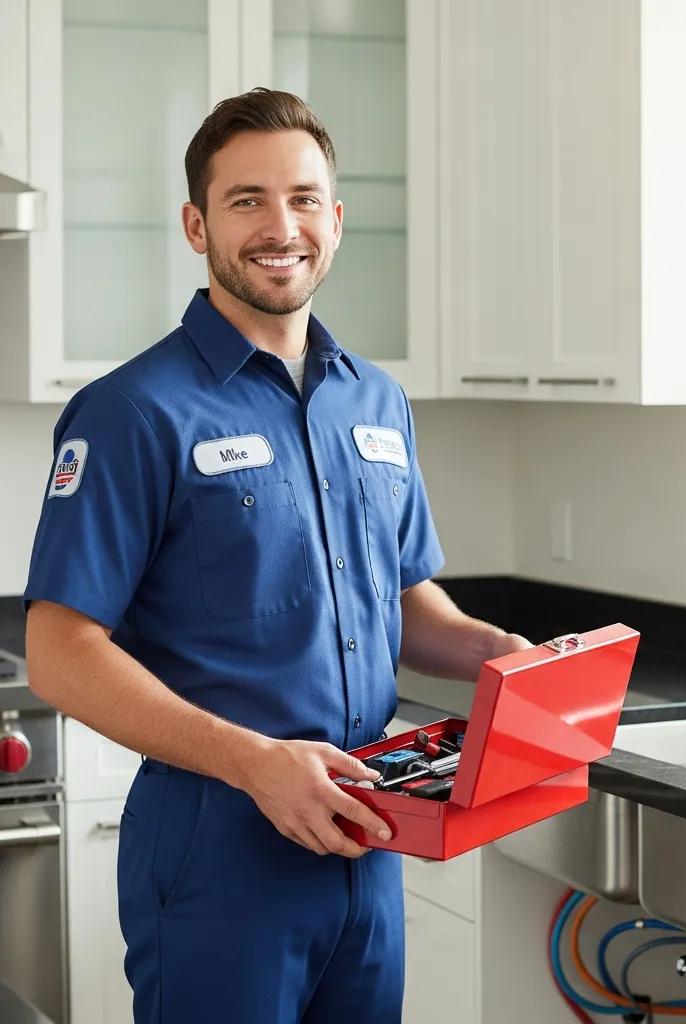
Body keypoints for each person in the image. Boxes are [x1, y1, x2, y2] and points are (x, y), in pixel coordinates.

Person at [23, 88, 530, 1024]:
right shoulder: (133, 412)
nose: (280, 225)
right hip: (219, 839)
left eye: (303, 198)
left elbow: (406, 599)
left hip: (369, 833)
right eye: (246, 200)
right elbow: (59, 652)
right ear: (196, 223)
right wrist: (256, 764)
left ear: (334, 222)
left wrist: (505, 658)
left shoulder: (376, 401)